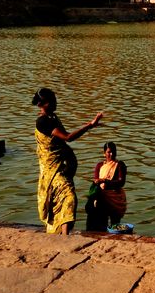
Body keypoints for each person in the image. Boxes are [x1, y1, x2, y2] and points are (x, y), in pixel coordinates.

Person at [32, 88, 104, 235]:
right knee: (68, 197)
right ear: (42, 104)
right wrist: (89, 125)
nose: (55, 103)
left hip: (61, 167)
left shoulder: (53, 117)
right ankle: (64, 236)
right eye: (51, 101)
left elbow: (62, 142)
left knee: (66, 200)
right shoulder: (42, 121)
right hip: (52, 170)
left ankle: (64, 234)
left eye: (55, 100)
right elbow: (67, 137)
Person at [85, 141, 128, 231]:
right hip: (102, 197)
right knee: (101, 222)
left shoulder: (120, 165)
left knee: (115, 224)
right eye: (109, 152)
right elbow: (96, 181)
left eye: (113, 152)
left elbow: (121, 182)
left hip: (116, 197)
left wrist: (105, 181)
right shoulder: (99, 165)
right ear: (104, 153)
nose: (111, 154)